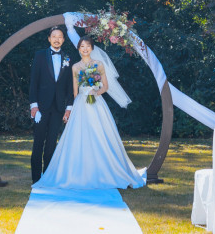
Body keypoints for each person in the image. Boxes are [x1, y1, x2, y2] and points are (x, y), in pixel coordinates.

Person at [35, 35, 146, 189]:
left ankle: (105, 170)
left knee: (99, 134)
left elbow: (105, 86)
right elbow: (74, 92)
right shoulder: (75, 66)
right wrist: (72, 108)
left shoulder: (98, 64)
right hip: (81, 103)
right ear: (79, 49)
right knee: (78, 136)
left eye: (88, 46)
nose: (85, 49)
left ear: (92, 48)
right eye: (82, 46)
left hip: (96, 102)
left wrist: (96, 93)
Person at [29, 26, 74, 184]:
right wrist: (34, 106)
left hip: (58, 108)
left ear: (63, 39)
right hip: (41, 107)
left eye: (60, 36)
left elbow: (70, 86)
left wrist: (69, 108)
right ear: (49, 38)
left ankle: (47, 177)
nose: (57, 39)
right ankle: (35, 178)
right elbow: (34, 81)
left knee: (52, 144)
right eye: (54, 36)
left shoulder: (68, 58)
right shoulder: (40, 55)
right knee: (39, 142)